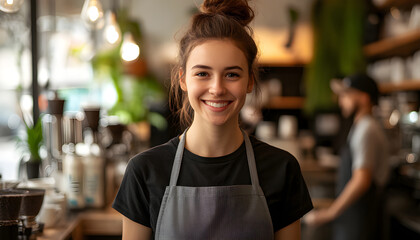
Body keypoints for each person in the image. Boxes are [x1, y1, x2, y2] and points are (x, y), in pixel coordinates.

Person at [112, 0, 313, 239]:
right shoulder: (145, 171)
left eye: (231, 74)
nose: (217, 88)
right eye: (202, 73)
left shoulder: (281, 169)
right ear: (183, 79)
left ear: (249, 81)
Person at [305, 73, 389, 240]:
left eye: (346, 95)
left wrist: (330, 213)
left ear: (364, 98)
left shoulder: (367, 129)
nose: (340, 100)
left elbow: (361, 180)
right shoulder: (360, 125)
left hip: (362, 219)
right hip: (354, 216)